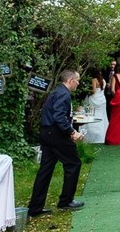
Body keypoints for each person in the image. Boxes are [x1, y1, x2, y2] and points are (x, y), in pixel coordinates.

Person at [28, 70, 85, 216]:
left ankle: (35, 207)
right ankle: (66, 201)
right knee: (73, 163)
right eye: (77, 80)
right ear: (71, 80)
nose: (78, 83)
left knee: (45, 169)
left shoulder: (56, 92)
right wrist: (72, 132)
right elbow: (59, 116)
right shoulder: (63, 94)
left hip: (46, 132)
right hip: (56, 134)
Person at [80, 69, 109, 144]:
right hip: (102, 99)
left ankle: (91, 135)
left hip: (94, 99)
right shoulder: (103, 80)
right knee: (102, 116)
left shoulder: (94, 80)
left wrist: (88, 93)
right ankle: (102, 135)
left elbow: (93, 91)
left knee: (91, 114)